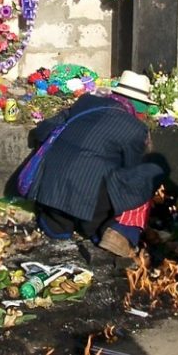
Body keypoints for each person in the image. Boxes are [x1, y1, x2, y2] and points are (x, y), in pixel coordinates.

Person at [25, 70, 165, 257]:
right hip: (91, 207)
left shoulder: (86, 102)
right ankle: (121, 232)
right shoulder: (135, 128)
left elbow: (43, 130)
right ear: (140, 109)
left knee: (58, 228)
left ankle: (60, 224)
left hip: (49, 194)